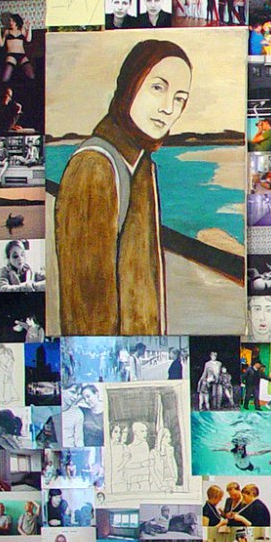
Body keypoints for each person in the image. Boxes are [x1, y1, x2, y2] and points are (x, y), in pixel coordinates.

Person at [54, 40, 192, 334]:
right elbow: (87, 315)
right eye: (158, 87)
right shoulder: (94, 166)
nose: (168, 108)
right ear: (131, 84)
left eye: (180, 98)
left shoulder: (141, 164)